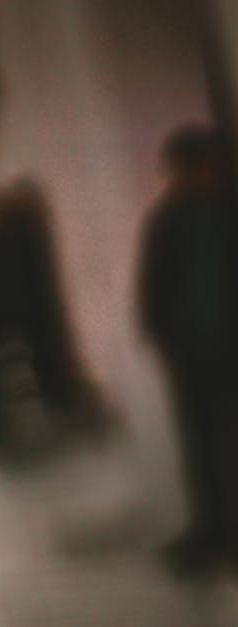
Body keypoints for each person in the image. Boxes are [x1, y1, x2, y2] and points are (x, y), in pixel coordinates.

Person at [139, 125, 238, 573]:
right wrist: (162, 336)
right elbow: (155, 285)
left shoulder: (218, 211)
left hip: (217, 348)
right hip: (192, 350)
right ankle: (214, 529)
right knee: (202, 444)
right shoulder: (171, 215)